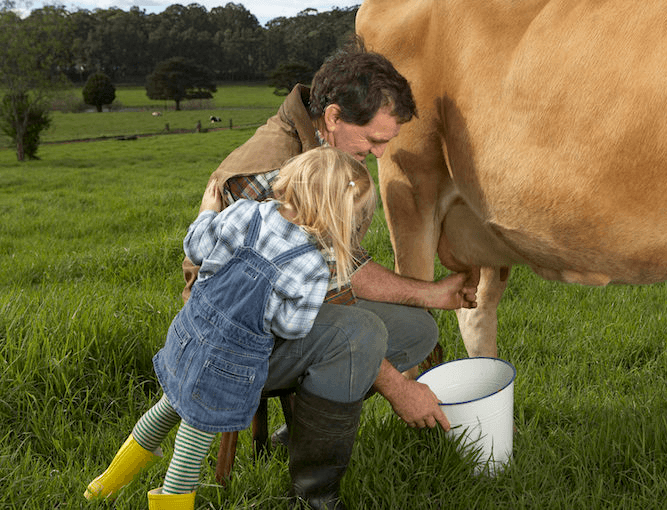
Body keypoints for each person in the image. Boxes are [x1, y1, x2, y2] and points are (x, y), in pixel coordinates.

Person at [183, 36, 478, 456]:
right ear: (335, 116)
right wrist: (398, 387)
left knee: (418, 329)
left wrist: (432, 294)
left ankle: (303, 427)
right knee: (358, 333)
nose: (378, 154)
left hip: (276, 311)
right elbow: (323, 292)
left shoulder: (321, 148)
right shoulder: (277, 171)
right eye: (373, 141)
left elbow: (342, 266)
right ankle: (314, 488)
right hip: (231, 341)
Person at [84, 147, 381, 508]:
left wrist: (206, 213)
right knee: (190, 450)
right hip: (228, 364)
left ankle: (102, 486)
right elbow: (293, 326)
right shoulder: (312, 266)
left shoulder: (245, 212)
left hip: (188, 337)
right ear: (341, 215)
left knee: (165, 410)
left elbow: (196, 248)